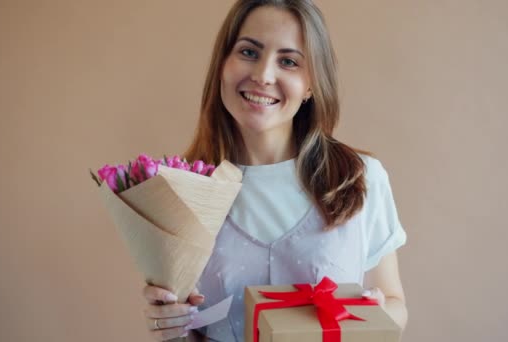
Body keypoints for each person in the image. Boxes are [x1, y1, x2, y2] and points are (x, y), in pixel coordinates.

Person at [142, 0, 408, 340]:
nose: (263, 76)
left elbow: (396, 304)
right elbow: (190, 334)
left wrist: (371, 314)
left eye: (288, 61)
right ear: (222, 64)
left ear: (311, 84)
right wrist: (169, 324)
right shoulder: (183, 191)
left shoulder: (361, 178)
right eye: (249, 52)